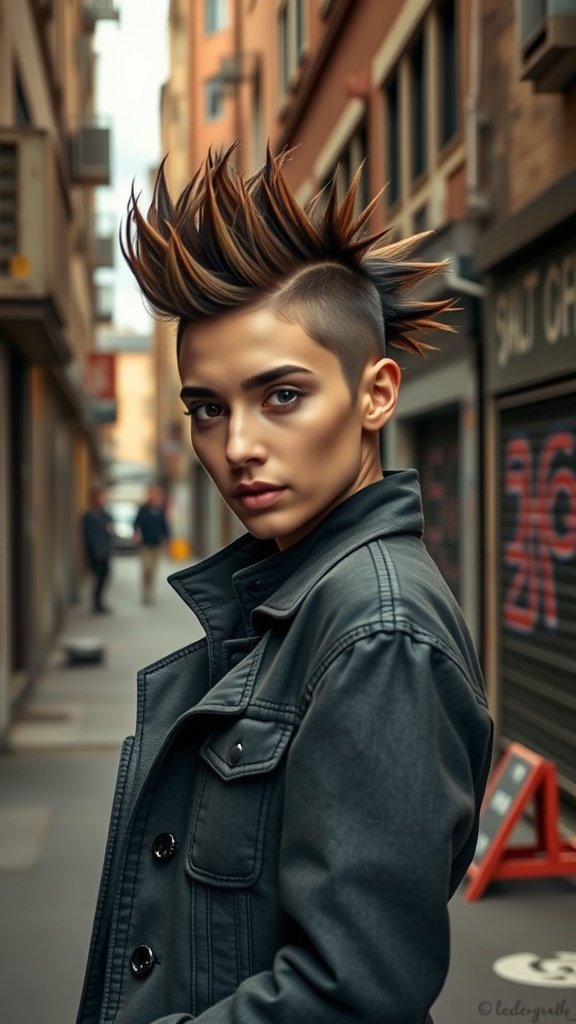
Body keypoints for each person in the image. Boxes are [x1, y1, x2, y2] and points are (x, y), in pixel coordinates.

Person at [76, 147, 493, 1024]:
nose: (236, 447)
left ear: (376, 393)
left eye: (283, 396)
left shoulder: (377, 631)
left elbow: (356, 994)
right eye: (208, 408)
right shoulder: (294, 599)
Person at [133, 485, 170, 604]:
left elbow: (165, 526)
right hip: (145, 545)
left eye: (155, 493)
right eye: (151, 493)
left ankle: (151, 592)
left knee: (153, 570)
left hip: (156, 545)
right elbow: (136, 523)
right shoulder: (143, 509)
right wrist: (136, 534)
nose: (153, 496)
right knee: (146, 569)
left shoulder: (160, 509)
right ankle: (145, 592)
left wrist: (167, 540)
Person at [81, 487, 113, 614]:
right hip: (96, 552)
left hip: (105, 550)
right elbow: (89, 535)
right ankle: (96, 603)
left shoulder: (104, 514)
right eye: (100, 497)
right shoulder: (89, 515)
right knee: (98, 577)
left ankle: (100, 602)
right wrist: (95, 550)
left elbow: (109, 529)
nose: (102, 500)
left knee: (105, 575)